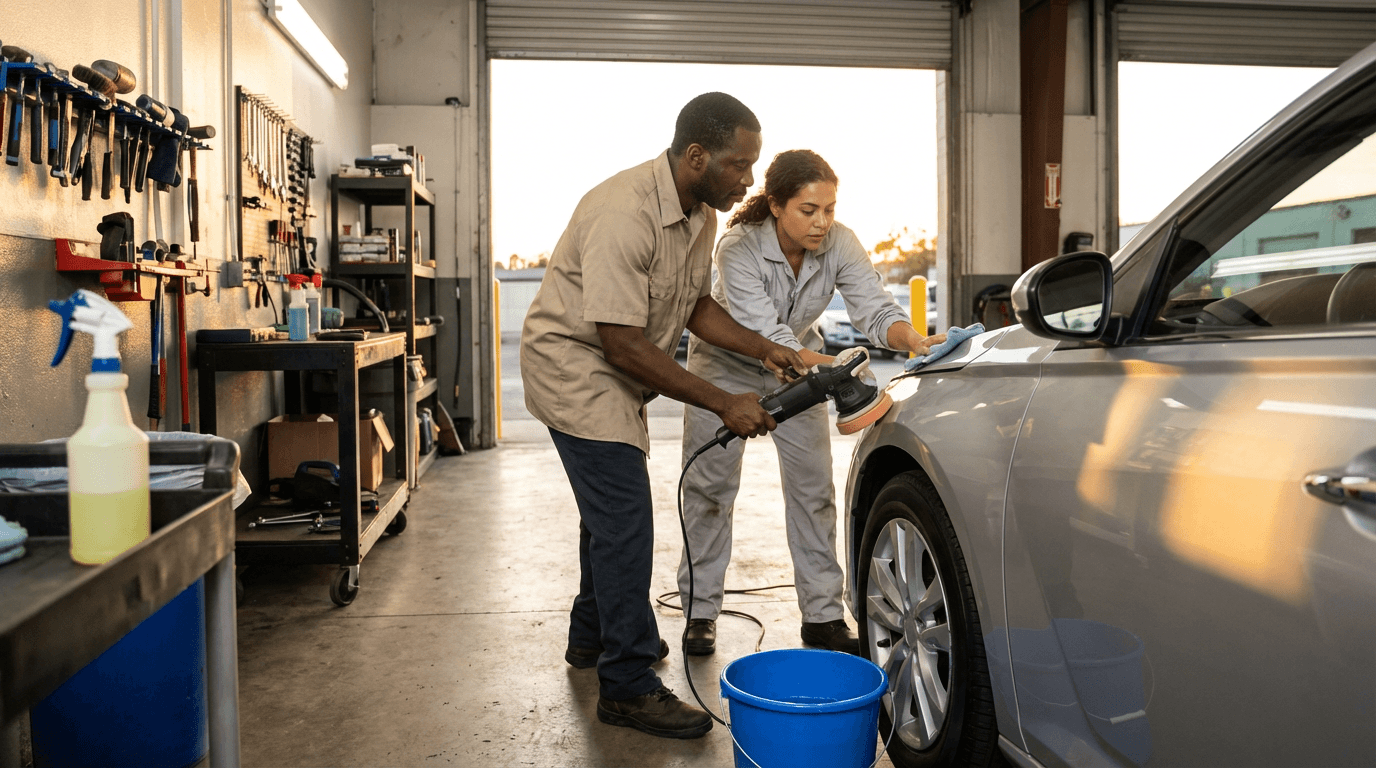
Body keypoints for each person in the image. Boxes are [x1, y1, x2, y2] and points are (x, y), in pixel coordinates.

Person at [520, 93, 807, 740]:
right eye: (739, 165)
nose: (748, 181)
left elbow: (694, 305)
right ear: (697, 156)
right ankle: (625, 684)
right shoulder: (624, 212)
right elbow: (621, 342)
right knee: (624, 520)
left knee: (608, 513)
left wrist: (767, 350)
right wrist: (724, 401)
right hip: (575, 365)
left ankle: (591, 637)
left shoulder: (701, 213)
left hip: (614, 363)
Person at [677, 149, 944, 656]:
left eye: (830, 208)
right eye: (808, 210)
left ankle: (822, 616)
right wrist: (836, 367)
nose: (823, 222)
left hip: (803, 361)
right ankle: (699, 610)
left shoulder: (839, 243)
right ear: (775, 205)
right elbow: (768, 335)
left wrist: (913, 339)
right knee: (710, 491)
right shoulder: (736, 248)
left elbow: (873, 305)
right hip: (729, 365)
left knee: (814, 492)